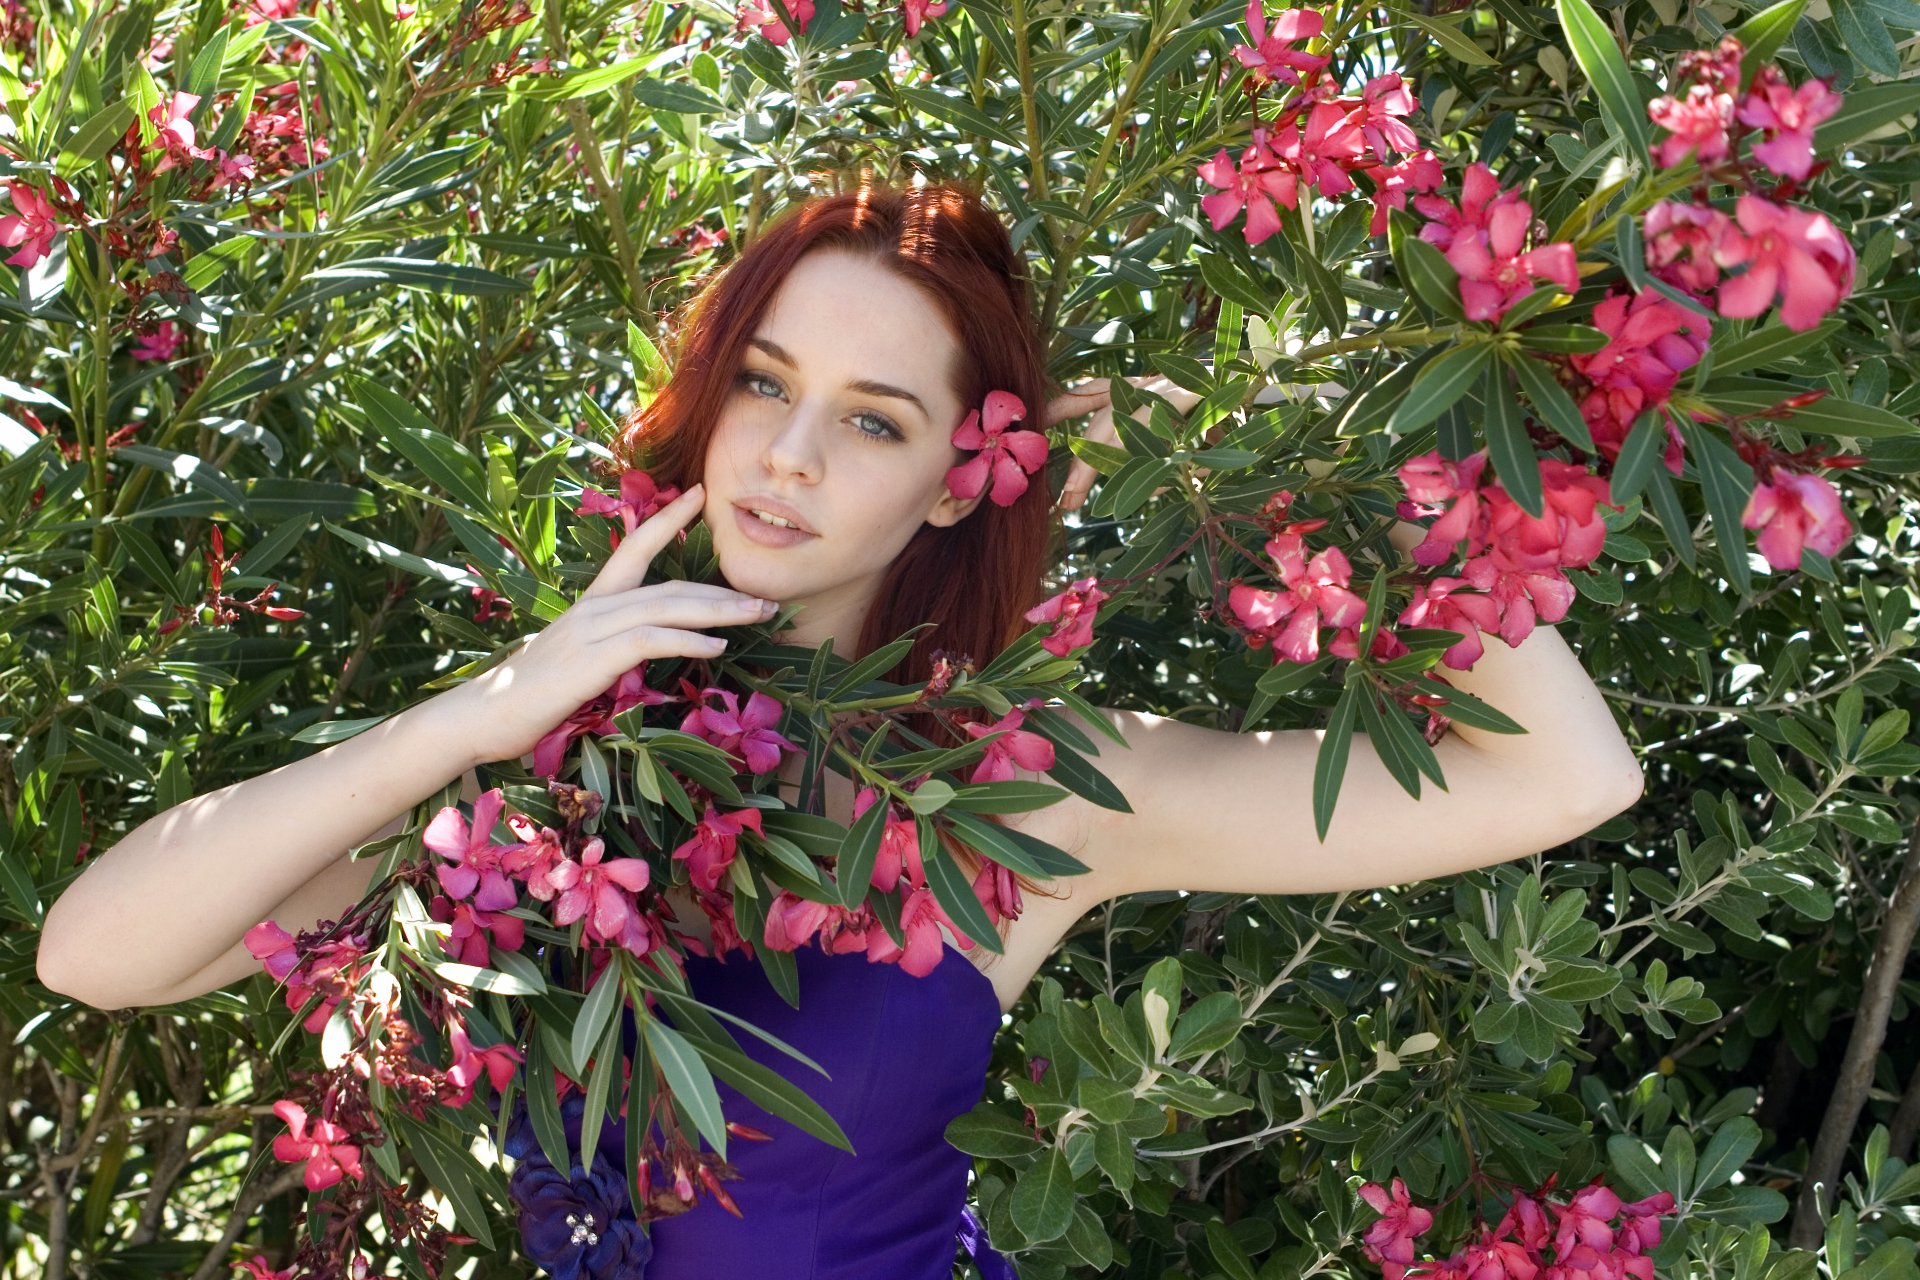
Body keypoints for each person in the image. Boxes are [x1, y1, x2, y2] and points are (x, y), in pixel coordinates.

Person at [36, 175, 1644, 1279]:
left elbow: (1563, 777)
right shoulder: (545, 765)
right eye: (762, 382)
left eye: (872, 419)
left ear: (968, 470)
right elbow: (99, 955)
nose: (790, 455)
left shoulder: (1031, 791)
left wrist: (1278, 461)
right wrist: (479, 717)